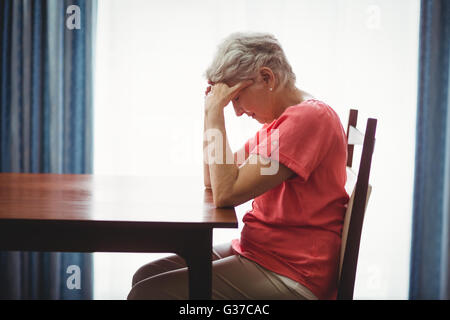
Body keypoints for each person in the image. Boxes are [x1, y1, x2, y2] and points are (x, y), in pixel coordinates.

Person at [127, 32, 349, 300]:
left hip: (292, 273)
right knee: (145, 276)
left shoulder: (308, 120)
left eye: (236, 97)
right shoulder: (282, 122)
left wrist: (214, 113)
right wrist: (210, 111)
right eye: (229, 101)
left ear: (267, 78)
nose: (237, 111)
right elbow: (214, 178)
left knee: (148, 293)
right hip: (262, 254)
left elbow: (226, 193)